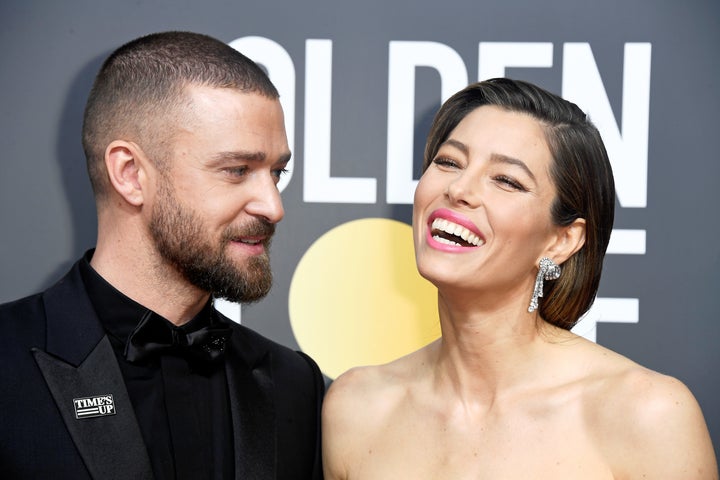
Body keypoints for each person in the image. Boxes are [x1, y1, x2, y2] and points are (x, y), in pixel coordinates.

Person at [321, 78, 718, 479]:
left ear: (562, 240)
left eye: (507, 180)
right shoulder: (356, 408)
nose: (459, 189)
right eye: (449, 162)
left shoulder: (648, 415)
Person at [0, 31, 324, 479]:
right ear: (130, 174)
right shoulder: (6, 362)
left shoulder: (293, 384)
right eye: (237, 170)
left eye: (276, 172)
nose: (273, 206)